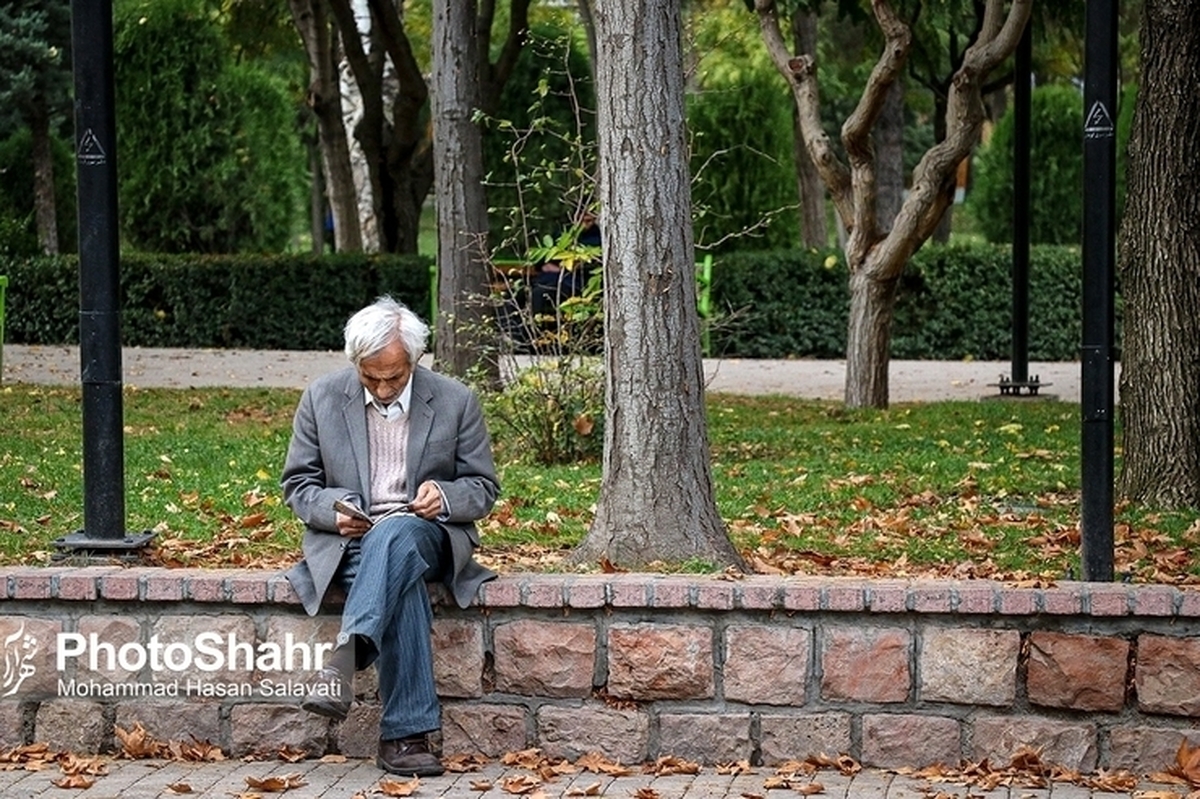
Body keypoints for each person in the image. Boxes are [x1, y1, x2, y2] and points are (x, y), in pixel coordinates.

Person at [280, 296, 499, 777]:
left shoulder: (455, 400)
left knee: (398, 535)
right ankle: (406, 738)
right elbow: (298, 486)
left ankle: (345, 658)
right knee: (400, 583)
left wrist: (443, 496)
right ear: (354, 362)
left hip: (429, 535)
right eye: (369, 376)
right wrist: (333, 512)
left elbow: (483, 488)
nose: (381, 388)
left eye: (394, 377)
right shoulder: (321, 398)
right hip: (350, 543)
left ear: (415, 361)